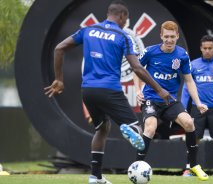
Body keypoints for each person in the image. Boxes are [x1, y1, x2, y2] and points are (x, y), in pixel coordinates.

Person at [44, 1, 173, 184]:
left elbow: (59, 48)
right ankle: (131, 128)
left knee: (102, 128)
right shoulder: (122, 35)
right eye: (125, 20)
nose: (125, 24)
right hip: (110, 89)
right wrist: (159, 89)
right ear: (121, 16)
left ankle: (95, 176)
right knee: (137, 127)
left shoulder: (88, 30)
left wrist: (58, 79)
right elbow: (137, 68)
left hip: (88, 90)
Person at [134, 21, 209, 181]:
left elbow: (189, 81)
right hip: (151, 98)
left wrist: (198, 102)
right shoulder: (150, 52)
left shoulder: (182, 55)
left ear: (177, 36)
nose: (169, 40)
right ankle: (137, 166)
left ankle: (194, 165)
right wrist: (138, 90)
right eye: (166, 36)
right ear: (161, 36)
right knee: (150, 128)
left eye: (172, 37)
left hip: (170, 101)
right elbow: (137, 69)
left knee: (189, 123)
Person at [181, 35, 213, 177]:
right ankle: (189, 169)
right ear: (200, 48)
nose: (207, 51)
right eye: (205, 48)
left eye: (210, 48)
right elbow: (187, 87)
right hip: (197, 108)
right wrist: (182, 107)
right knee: (194, 138)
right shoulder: (193, 64)